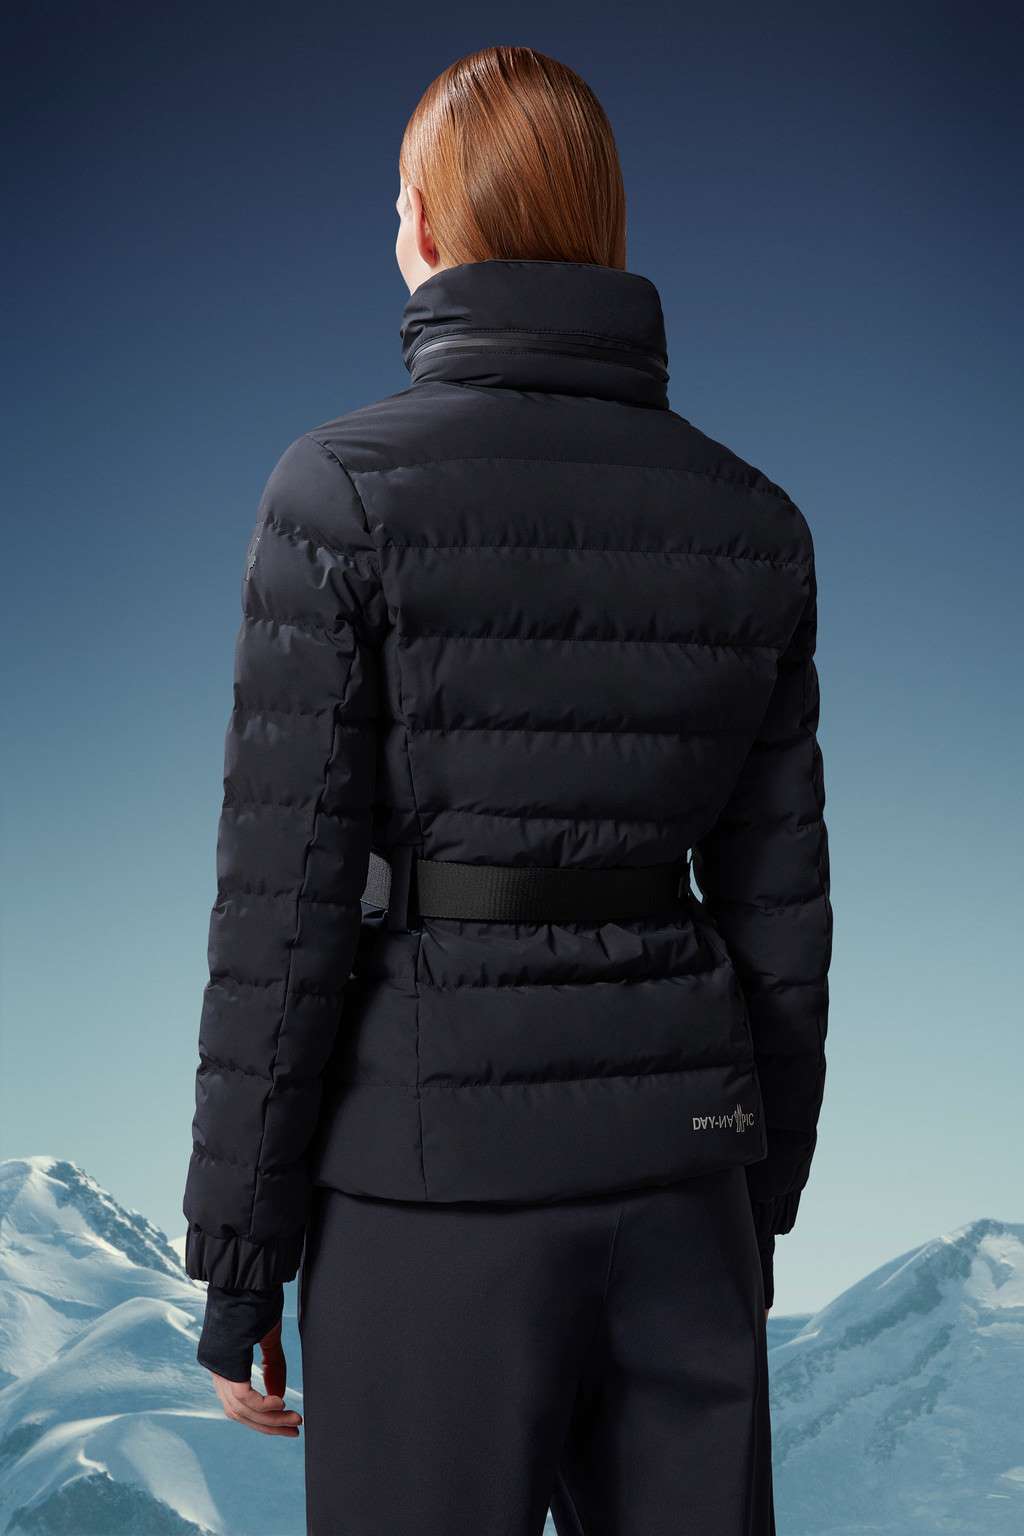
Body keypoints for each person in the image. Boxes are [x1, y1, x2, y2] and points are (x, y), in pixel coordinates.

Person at [181, 43, 832, 1536]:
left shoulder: (337, 495)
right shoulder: (754, 522)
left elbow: (280, 910)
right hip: (683, 1181)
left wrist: (240, 1255)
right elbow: (782, 910)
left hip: (427, 1195)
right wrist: (753, 1195)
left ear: (422, 226)